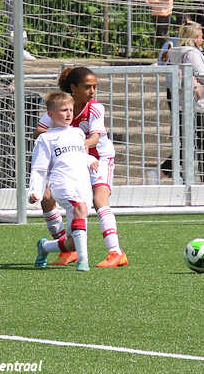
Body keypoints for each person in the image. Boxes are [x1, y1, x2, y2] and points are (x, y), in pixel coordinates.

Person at [34, 66, 128, 268]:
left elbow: (95, 137)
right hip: (72, 161)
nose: (92, 91)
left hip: (99, 159)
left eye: (95, 87)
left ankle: (116, 252)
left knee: (99, 199)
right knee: (46, 197)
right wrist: (59, 137)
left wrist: (80, 144)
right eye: (87, 87)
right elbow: (39, 130)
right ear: (73, 88)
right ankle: (68, 248)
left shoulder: (95, 108)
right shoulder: (63, 106)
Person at [31, 92, 97, 272]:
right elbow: (39, 167)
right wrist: (35, 190)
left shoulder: (78, 133)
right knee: (79, 207)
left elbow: (79, 155)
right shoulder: (46, 138)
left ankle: (45, 247)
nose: (68, 114)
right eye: (63, 110)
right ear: (50, 114)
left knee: (73, 242)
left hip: (81, 184)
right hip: (62, 183)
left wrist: (90, 160)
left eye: (70, 110)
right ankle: (83, 262)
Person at [158, 21, 204, 182]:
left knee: (187, 142)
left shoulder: (173, 52)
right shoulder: (191, 53)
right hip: (197, 104)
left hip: (180, 102)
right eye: (200, 36)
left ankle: (170, 172)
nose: (202, 40)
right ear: (193, 37)